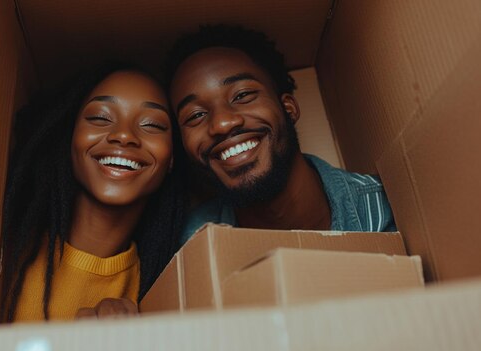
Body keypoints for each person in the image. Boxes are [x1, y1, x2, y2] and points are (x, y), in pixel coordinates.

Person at [165, 25, 396, 245]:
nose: (222, 123)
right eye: (195, 115)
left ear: (289, 108)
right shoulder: (186, 245)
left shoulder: (392, 210)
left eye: (242, 95)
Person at [0, 61, 185, 322]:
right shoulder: (5, 251)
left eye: (152, 125)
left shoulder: (164, 289)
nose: (123, 135)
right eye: (100, 118)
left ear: (172, 159)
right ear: (70, 138)